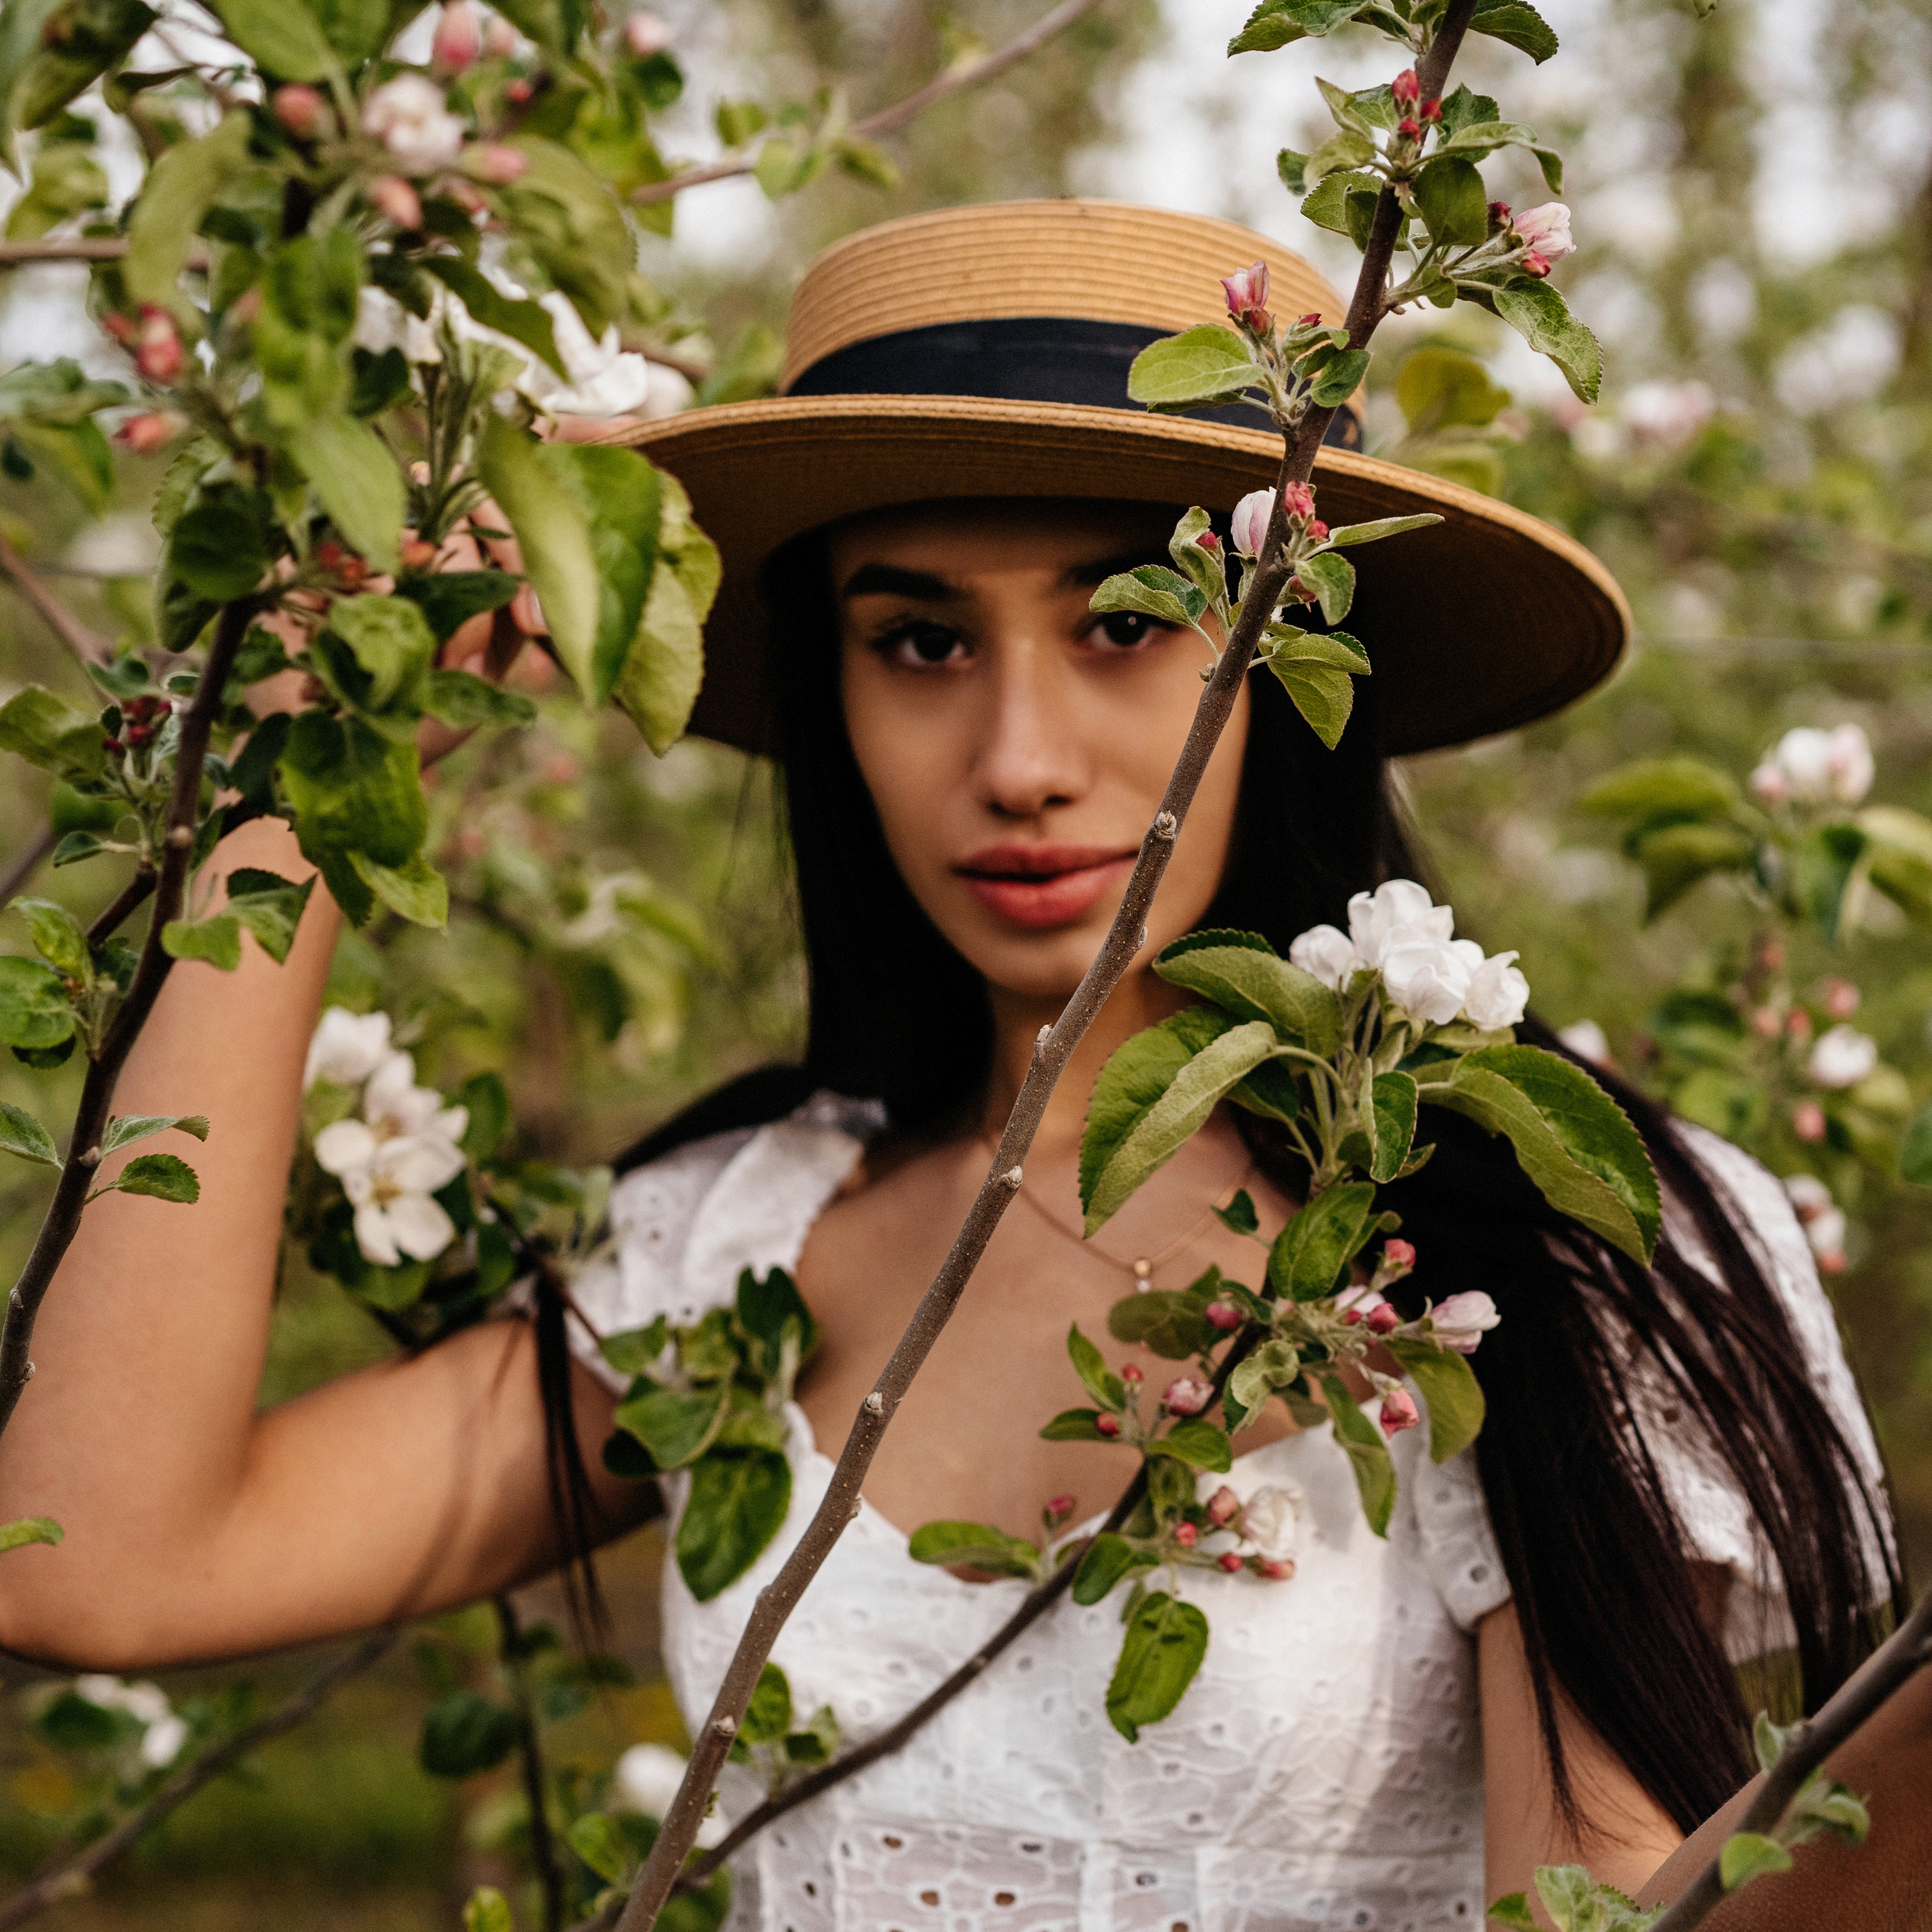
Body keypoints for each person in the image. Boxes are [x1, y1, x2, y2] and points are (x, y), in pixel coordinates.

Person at [0, 201, 1910, 1930]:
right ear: (824, 688)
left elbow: (1619, 1905)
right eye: (916, 638)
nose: (1015, 752)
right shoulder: (736, 1250)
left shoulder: (1525, 1246)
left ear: (1292, 652)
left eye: (1129, 627)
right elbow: (97, 1559)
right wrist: (300, 770)